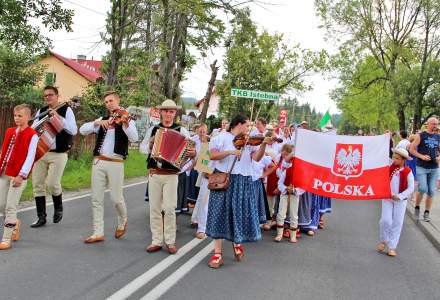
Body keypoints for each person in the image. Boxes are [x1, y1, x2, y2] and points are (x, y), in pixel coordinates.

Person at [205, 114, 270, 269]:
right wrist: (230, 152)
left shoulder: (250, 140)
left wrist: (263, 145)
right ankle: (217, 253)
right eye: (247, 125)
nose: (249, 129)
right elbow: (211, 155)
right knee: (219, 214)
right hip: (224, 180)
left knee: (238, 214)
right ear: (238, 125)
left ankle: (237, 243)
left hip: (243, 181)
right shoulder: (221, 137)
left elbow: (257, 158)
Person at [79, 91, 138, 243]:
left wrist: (125, 123)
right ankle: (98, 232)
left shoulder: (127, 118)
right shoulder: (103, 119)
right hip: (99, 161)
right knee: (96, 199)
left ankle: (123, 220)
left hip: (116, 163)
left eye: (111, 100)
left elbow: (134, 138)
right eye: (106, 102)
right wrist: (97, 123)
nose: (108, 103)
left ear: (117, 101)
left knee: (116, 198)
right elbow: (82, 130)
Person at [140, 99, 196, 255]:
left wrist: (192, 154)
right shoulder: (153, 129)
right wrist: (151, 145)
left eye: (171, 111)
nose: (168, 114)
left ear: (174, 113)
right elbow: (141, 148)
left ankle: (170, 241)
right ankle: (156, 241)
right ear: (161, 112)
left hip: (171, 174)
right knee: (155, 208)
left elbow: (190, 153)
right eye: (165, 111)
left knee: (170, 208)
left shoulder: (182, 130)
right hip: (155, 173)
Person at [31, 86, 78, 228]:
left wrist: (57, 117)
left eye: (50, 95)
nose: (48, 97)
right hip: (41, 151)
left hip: (59, 153)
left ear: (58, 96)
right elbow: (33, 129)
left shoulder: (66, 110)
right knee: (37, 184)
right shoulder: (41, 111)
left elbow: (73, 130)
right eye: (45, 95)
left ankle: (58, 208)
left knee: (52, 183)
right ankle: (41, 217)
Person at [0, 104, 38, 250]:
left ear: (28, 117)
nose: (16, 118)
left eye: (20, 116)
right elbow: (4, 151)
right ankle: (14, 222)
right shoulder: (10, 131)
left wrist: (21, 175)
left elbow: (30, 157)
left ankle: (6, 238)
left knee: (10, 206)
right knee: (1, 204)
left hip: (18, 176)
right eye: (15, 115)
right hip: (4, 172)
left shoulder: (32, 135)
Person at [377, 148, 415, 257]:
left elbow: (411, 188)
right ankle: (384, 240)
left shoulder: (408, 172)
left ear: (403, 160)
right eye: (394, 157)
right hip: (388, 197)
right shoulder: (390, 168)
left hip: (400, 201)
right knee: (385, 220)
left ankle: (392, 247)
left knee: (397, 222)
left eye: (397, 159)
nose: (395, 160)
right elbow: (384, 179)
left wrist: (400, 196)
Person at [409, 117, 440, 222]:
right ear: (428, 124)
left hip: (434, 168)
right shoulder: (420, 135)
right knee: (423, 189)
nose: (435, 126)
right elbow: (411, 149)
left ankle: (427, 212)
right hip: (422, 167)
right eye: (433, 124)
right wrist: (422, 156)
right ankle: (417, 207)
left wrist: (439, 157)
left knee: (431, 191)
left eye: (437, 124)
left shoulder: (438, 137)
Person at [273, 144, 303, 243]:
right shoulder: (287, 171)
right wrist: (286, 189)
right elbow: (280, 183)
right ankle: (279, 234)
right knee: (281, 213)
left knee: (294, 214)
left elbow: (303, 187)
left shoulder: (300, 173)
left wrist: (294, 190)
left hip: (295, 195)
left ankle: (293, 236)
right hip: (285, 194)